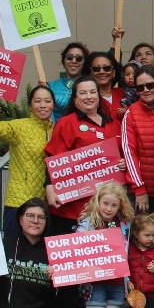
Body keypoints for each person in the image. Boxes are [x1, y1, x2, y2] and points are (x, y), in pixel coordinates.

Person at [0, 82, 54, 241]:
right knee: (13, 251)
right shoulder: (19, 127)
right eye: (37, 101)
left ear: (53, 104)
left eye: (47, 101)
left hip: (48, 204)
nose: (43, 105)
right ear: (30, 105)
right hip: (19, 201)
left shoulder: (59, 129)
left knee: (40, 255)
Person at [44, 75, 123, 235]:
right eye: (83, 93)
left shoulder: (114, 125)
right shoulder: (66, 123)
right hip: (73, 206)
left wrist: (123, 164)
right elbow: (54, 159)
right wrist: (49, 187)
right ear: (75, 99)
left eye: (92, 92)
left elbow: (123, 156)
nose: (89, 97)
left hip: (106, 207)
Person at [72, 181, 133, 308]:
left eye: (113, 205)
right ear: (97, 202)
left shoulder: (123, 224)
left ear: (120, 206)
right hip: (95, 282)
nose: (108, 208)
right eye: (104, 203)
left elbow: (124, 252)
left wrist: (127, 280)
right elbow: (75, 248)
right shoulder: (87, 224)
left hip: (116, 280)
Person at [121, 66, 154, 264]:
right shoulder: (131, 114)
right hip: (147, 195)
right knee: (144, 247)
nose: (145, 90)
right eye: (140, 87)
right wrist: (139, 188)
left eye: (150, 85)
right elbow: (129, 153)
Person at [48, 42, 90, 122]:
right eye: (69, 57)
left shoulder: (90, 86)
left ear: (84, 62)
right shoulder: (50, 86)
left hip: (83, 131)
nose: (74, 61)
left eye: (79, 58)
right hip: (56, 132)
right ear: (64, 60)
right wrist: (42, 92)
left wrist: (115, 41)